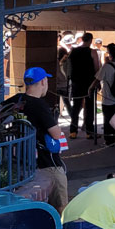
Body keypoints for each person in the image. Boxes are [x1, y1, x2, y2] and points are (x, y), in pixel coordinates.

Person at [7, 67, 68, 211]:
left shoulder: (17, 100)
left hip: (22, 159)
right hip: (46, 162)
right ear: (43, 82)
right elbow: (56, 134)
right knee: (61, 205)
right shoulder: (40, 105)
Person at [92, 43, 115, 146]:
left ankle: (109, 141)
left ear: (111, 55)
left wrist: (90, 89)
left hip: (107, 98)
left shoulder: (107, 66)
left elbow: (97, 79)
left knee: (108, 120)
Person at [67, 32, 99, 139]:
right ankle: (89, 132)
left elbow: (69, 65)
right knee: (90, 107)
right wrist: (97, 82)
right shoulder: (92, 52)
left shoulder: (73, 50)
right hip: (89, 82)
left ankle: (73, 131)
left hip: (76, 82)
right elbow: (97, 68)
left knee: (76, 107)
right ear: (90, 40)